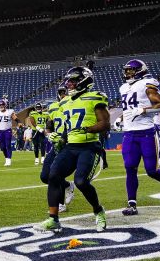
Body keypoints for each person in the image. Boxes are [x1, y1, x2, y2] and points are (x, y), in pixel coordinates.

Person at [36, 66, 110, 234]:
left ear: (83, 81)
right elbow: (66, 126)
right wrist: (58, 137)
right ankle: (53, 220)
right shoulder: (64, 102)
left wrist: (87, 129)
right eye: (68, 81)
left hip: (89, 147)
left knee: (81, 182)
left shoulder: (95, 97)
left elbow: (105, 124)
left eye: (72, 81)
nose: (68, 84)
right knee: (52, 176)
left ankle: (99, 211)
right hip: (70, 147)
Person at [117, 59, 160, 216]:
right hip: (129, 134)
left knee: (151, 170)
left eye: (130, 70)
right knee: (130, 168)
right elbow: (130, 108)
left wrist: (145, 110)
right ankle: (132, 204)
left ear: (140, 71)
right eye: (126, 71)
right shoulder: (124, 87)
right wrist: (121, 118)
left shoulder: (146, 84)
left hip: (146, 133)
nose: (127, 73)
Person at [0, 98, 17, 167]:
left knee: (8, 144)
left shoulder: (10, 112)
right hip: (0, 131)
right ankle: (6, 158)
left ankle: (9, 159)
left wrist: (19, 122)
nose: (1, 106)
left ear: (5, 105)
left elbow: (15, 118)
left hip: (8, 130)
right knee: (2, 147)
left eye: (2, 105)